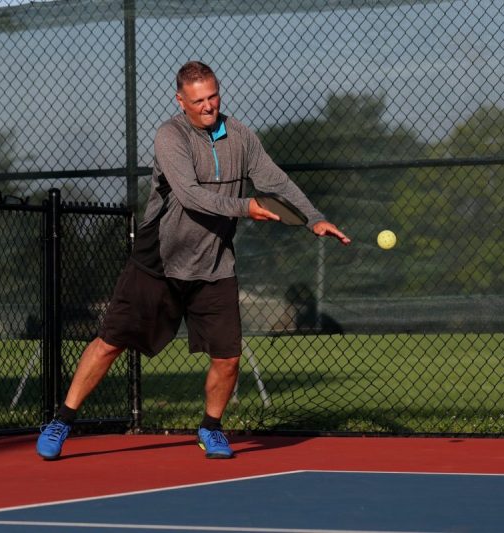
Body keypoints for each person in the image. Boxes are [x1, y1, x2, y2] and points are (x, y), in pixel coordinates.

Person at [36, 61, 350, 460]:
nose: (208, 106)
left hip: (215, 264)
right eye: (198, 100)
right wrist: (245, 207)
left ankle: (211, 428)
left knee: (228, 356)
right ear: (180, 101)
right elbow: (189, 195)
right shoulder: (171, 135)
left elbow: (277, 182)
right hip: (159, 261)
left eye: (213, 96)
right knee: (110, 343)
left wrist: (314, 219)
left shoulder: (241, 137)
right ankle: (62, 420)